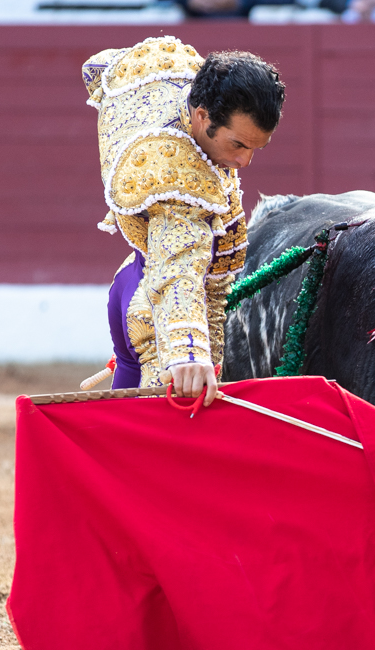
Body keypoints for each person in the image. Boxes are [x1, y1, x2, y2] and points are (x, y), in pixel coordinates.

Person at [82, 38, 285, 403]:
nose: (245, 162)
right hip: (155, 314)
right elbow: (179, 261)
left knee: (125, 446)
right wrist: (186, 350)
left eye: (257, 148)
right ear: (202, 115)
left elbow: (99, 68)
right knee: (162, 448)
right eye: (238, 144)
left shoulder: (168, 75)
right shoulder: (175, 172)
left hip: (131, 282)